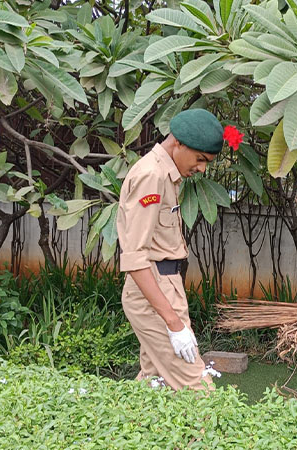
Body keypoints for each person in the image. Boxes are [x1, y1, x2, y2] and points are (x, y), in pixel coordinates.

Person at [116, 108, 230, 391]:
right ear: (178, 142)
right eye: (200, 159)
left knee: (156, 384)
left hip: (163, 286)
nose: (202, 168)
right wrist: (173, 324)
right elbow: (135, 258)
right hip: (153, 289)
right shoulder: (152, 176)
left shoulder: (166, 174)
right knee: (198, 386)